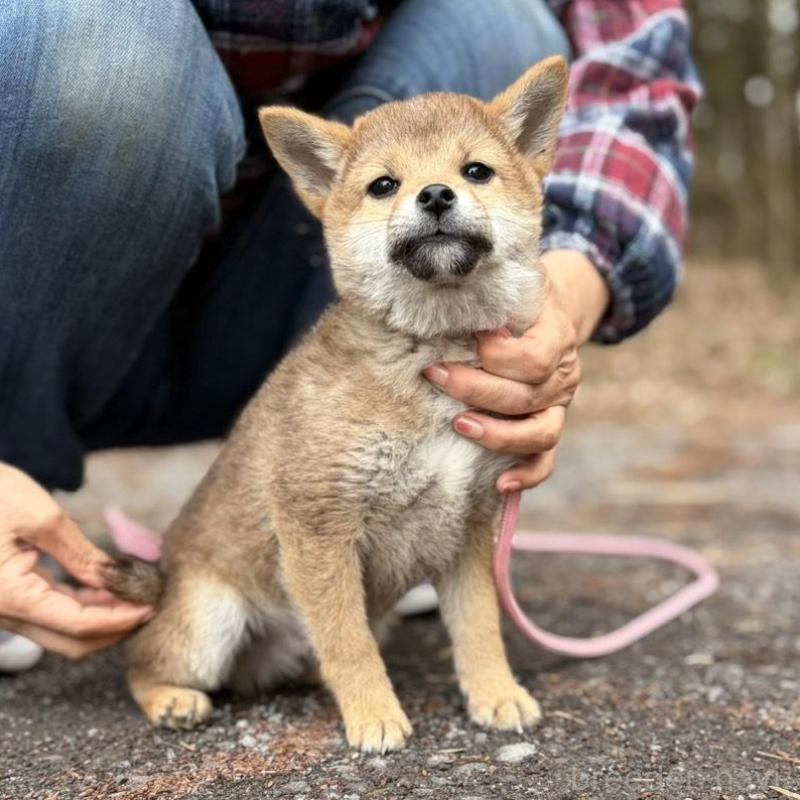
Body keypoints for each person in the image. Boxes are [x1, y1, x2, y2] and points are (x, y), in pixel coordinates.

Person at [0, 0, 700, 669]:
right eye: (394, 186)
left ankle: (397, 526)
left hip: (291, 320)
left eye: (474, 171)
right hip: (45, 333)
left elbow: (635, 74)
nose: (437, 194)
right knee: (101, 43)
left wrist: (560, 305)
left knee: (502, 23)